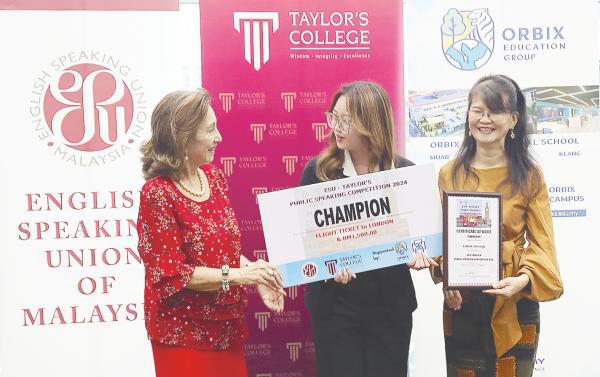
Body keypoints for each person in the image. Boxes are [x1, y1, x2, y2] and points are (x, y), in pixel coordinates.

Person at [137, 89, 285, 377]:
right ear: (183, 137)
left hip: (227, 328)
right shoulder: (157, 194)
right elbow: (172, 274)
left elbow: (222, 252)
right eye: (211, 129)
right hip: (181, 335)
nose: (219, 137)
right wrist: (242, 276)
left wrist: (257, 274)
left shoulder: (214, 178)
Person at [299, 81, 437, 377]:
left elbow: (423, 241)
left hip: (390, 308)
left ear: (371, 122)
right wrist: (327, 265)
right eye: (333, 117)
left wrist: (420, 255)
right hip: (335, 308)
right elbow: (306, 246)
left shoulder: (406, 174)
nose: (336, 126)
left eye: (346, 120)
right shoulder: (318, 173)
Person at [432, 75, 563, 376]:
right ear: (467, 116)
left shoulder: (530, 176)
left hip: (516, 303)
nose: (485, 119)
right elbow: (439, 242)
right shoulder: (449, 174)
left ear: (514, 119)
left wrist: (523, 279)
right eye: (478, 110)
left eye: (495, 111)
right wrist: (447, 275)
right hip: (462, 305)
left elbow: (543, 245)